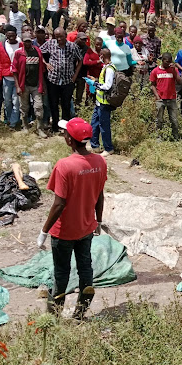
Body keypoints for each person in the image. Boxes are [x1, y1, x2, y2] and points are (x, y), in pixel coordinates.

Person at [38, 117, 106, 320]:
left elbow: (59, 203)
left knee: (61, 273)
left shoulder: (64, 166)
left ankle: (54, 317)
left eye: (65, 132)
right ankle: (80, 314)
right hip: (86, 228)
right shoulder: (99, 161)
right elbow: (100, 194)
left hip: (64, 231)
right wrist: (98, 221)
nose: (64, 135)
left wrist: (44, 231)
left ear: (69, 139)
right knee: (86, 269)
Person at [41, 28, 83, 132]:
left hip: (68, 80)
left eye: (61, 36)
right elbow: (38, 52)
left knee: (66, 104)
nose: (59, 39)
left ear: (65, 35)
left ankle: (65, 127)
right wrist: (46, 64)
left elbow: (80, 60)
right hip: (53, 80)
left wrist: (75, 75)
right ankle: (55, 126)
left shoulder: (72, 46)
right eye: (57, 36)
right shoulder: (50, 44)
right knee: (53, 104)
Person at [13, 32, 48, 136]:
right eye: (25, 42)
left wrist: (43, 85)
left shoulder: (37, 51)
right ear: (22, 42)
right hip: (24, 85)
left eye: (29, 41)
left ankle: (40, 128)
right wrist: (18, 86)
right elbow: (14, 70)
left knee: (38, 106)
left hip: (36, 84)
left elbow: (41, 69)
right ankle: (25, 126)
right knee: (24, 107)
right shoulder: (18, 53)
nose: (27, 44)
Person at [89, 48, 116, 157]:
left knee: (104, 126)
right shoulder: (105, 67)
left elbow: (107, 86)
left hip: (104, 103)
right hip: (99, 102)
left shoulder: (109, 69)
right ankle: (95, 145)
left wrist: (94, 84)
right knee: (94, 123)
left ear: (103, 56)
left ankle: (108, 148)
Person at [0, 25, 22, 129]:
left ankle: (13, 122)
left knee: (16, 101)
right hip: (6, 77)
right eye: (8, 35)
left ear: (16, 35)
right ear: (6, 35)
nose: (11, 37)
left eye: (13, 35)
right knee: (7, 101)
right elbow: (0, 61)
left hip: (17, 77)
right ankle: (9, 118)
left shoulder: (21, 45)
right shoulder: (2, 45)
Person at [150, 52, 181, 139]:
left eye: (170, 61)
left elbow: (180, 81)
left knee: (174, 120)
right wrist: (157, 96)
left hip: (172, 98)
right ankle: (158, 137)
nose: (169, 63)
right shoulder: (155, 71)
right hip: (160, 99)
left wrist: (174, 71)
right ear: (162, 61)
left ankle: (176, 137)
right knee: (159, 119)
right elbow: (152, 85)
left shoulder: (173, 70)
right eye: (167, 61)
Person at [81, 36, 104, 105]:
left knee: (98, 93)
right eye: (97, 44)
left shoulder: (103, 53)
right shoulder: (90, 51)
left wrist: (94, 62)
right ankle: (87, 108)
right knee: (90, 92)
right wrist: (97, 62)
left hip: (100, 77)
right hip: (91, 76)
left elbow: (105, 64)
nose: (98, 46)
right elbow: (85, 62)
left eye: (100, 44)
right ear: (94, 43)